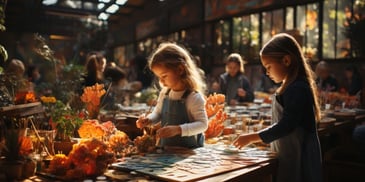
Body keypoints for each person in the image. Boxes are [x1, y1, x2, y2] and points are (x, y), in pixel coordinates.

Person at [232, 33, 322, 182]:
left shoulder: (297, 88)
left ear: (286, 60)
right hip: (289, 150)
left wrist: (252, 137)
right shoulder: (290, 86)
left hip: (300, 153)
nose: (267, 73)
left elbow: (287, 125)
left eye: (268, 67)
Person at [135, 42, 208, 148]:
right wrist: (149, 119)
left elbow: (202, 125)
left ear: (180, 70)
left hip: (188, 153)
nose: (161, 81)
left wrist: (178, 129)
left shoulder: (193, 97)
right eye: (159, 77)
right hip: (167, 150)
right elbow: (158, 113)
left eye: (164, 76)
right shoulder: (165, 93)